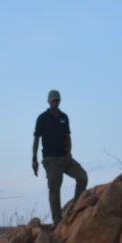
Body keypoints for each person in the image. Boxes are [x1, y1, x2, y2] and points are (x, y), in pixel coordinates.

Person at [31, 89, 87, 225]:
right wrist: (34, 159)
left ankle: (76, 209)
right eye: (53, 100)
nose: (55, 102)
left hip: (65, 158)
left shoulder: (64, 117)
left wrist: (69, 154)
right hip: (51, 159)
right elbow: (36, 139)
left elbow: (68, 137)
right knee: (55, 190)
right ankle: (57, 222)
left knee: (82, 177)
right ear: (48, 101)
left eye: (57, 100)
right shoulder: (42, 118)